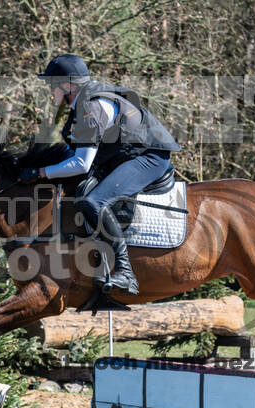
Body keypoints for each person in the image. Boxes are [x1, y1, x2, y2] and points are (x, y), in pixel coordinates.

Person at [19, 54, 181, 295]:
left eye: (52, 84)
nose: (49, 90)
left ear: (69, 85)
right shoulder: (80, 104)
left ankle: (126, 273)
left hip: (148, 157)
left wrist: (42, 172)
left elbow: (82, 164)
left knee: (95, 201)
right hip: (123, 156)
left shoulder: (91, 106)